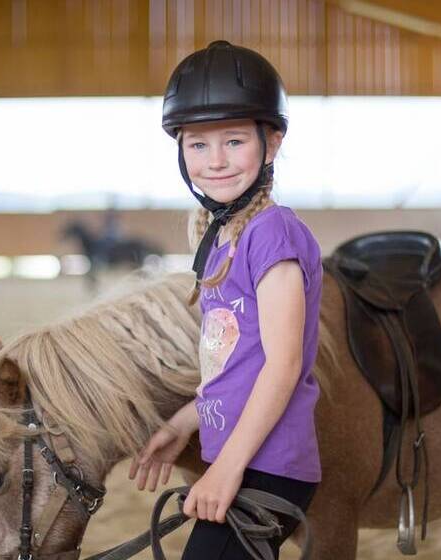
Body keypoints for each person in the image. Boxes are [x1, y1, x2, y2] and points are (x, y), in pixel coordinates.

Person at [127, 40, 323, 560]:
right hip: (242, 457)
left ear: (272, 142)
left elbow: (284, 365)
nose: (214, 162)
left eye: (234, 142)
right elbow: (236, 366)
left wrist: (228, 469)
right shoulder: (223, 238)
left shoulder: (272, 232)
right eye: (197, 145)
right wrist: (182, 424)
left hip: (266, 464)